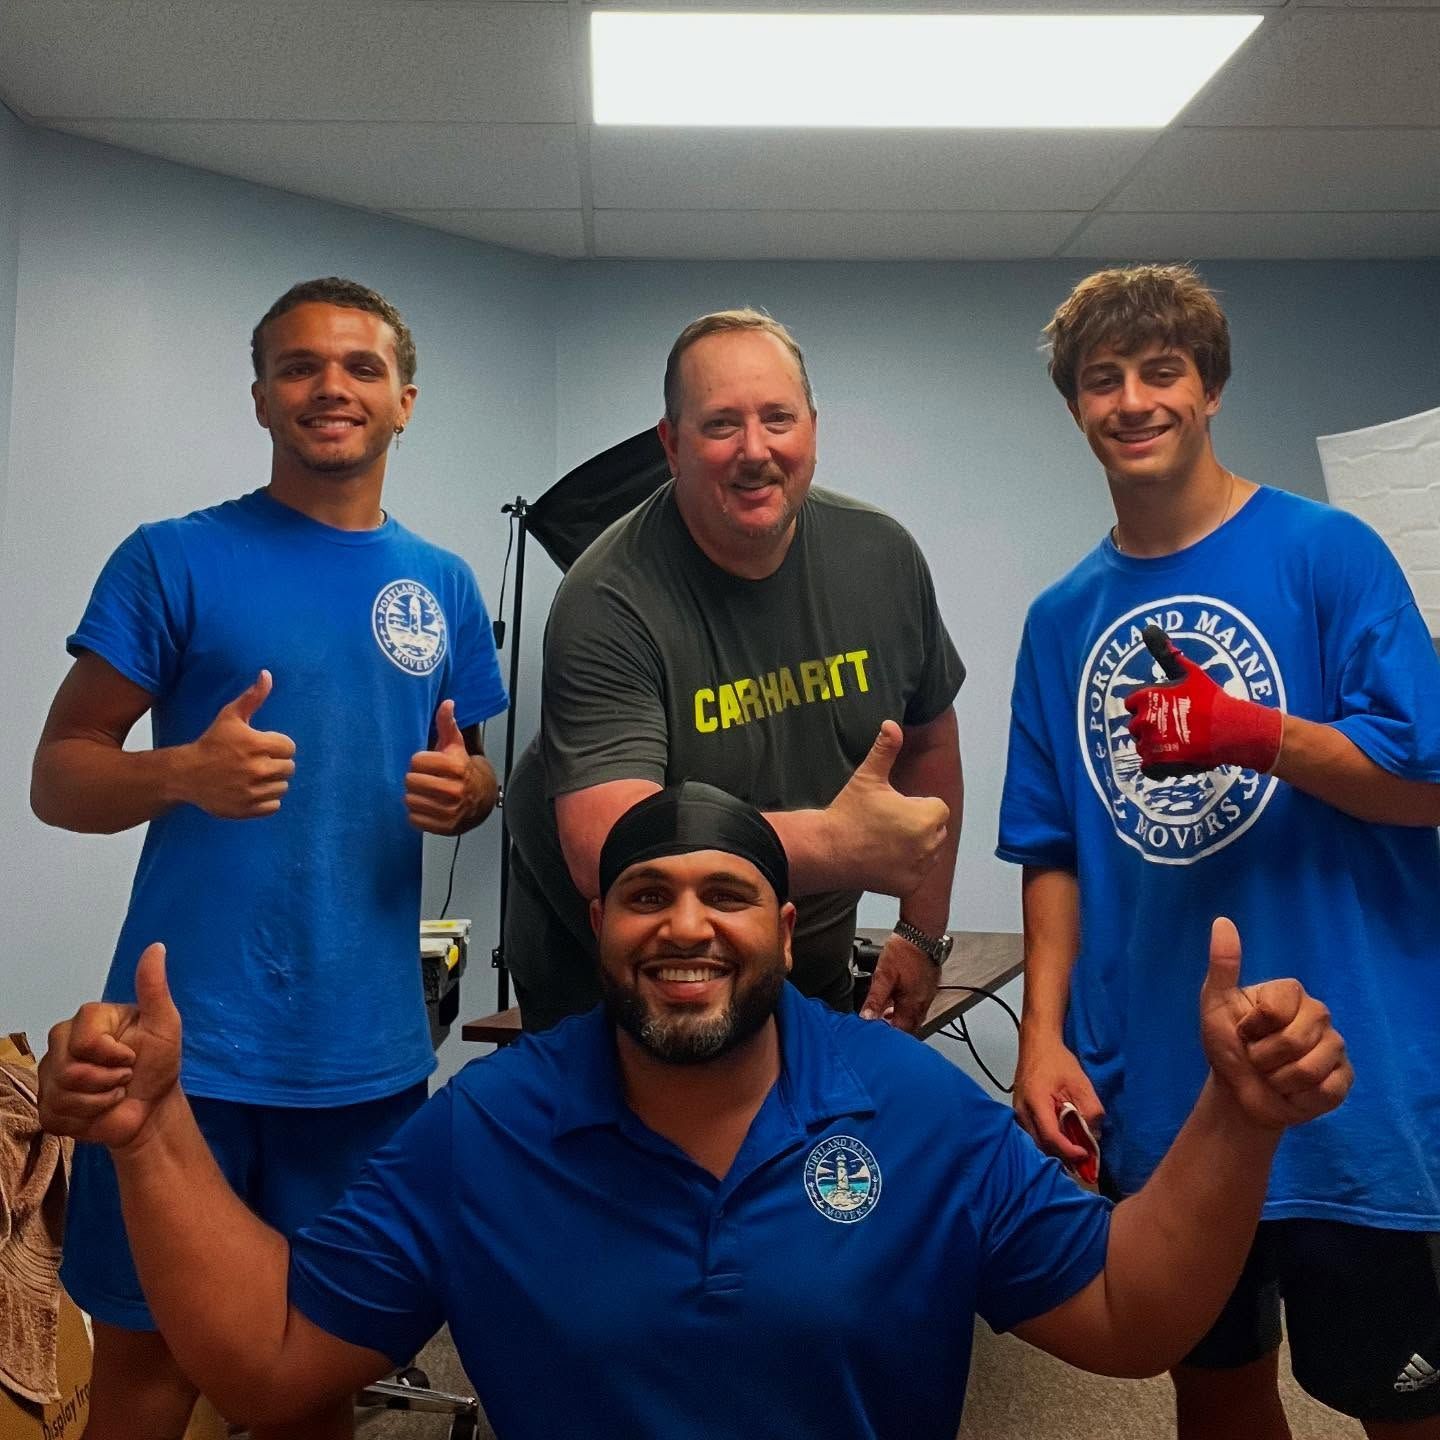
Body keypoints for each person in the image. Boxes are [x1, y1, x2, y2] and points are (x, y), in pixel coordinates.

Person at [39, 783, 1351, 1439]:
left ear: (784, 928)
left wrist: (1238, 1123)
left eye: (725, 894)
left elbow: (1129, 1322)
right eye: (643, 893)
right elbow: (268, 1364)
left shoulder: (913, 1110)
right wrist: (152, 1134)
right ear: (599, 926)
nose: (684, 923)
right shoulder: (481, 1131)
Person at [30, 278, 508, 1440]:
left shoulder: (442, 585)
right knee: (150, 1375)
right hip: (180, 1055)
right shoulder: (172, 559)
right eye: (298, 366)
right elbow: (60, 774)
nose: (328, 387)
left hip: (366, 1054)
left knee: (313, 1379)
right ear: (259, 398)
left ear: (405, 400)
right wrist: (180, 773)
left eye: (357, 366)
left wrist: (470, 792)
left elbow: (471, 769)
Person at [999, 263, 1440, 1439]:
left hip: (1350, 1078)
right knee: (1216, 1386)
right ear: (1077, 407)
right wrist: (1042, 1040)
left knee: (1403, 1400)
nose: (1133, 400)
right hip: (1165, 1085)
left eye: (1162, 371)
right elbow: (1050, 852)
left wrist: (1255, 733)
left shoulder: (1327, 554)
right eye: (1103, 380)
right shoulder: (1061, 620)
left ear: (1209, 391)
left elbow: (1427, 787)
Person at [504, 308, 964, 1033]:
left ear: (812, 426)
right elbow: (610, 850)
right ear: (671, 443)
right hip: (627, 983)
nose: (756, 450)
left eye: (778, 418)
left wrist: (920, 933)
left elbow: (931, 741)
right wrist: (835, 846)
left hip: (797, 962)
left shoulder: (882, 558)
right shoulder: (608, 594)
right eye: (721, 424)